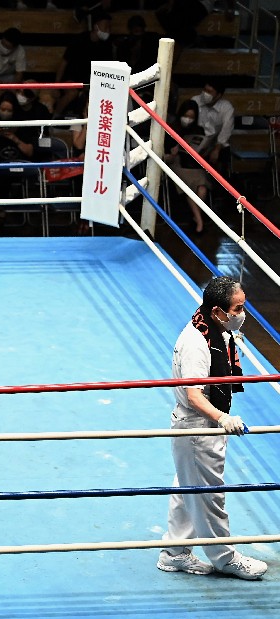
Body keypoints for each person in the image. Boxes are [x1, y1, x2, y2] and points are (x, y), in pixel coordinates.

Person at [158, 276, 267, 581]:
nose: (242, 314)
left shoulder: (212, 328)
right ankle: (225, 558)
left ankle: (174, 552)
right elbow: (194, 395)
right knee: (209, 496)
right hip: (198, 428)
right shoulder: (196, 343)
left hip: (197, 427)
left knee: (187, 490)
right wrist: (222, 418)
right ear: (218, 310)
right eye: (237, 309)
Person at [164, 99, 214, 235]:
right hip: (177, 164)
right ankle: (200, 223)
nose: (188, 119)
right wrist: (172, 154)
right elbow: (164, 156)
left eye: (192, 117)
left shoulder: (198, 130)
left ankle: (195, 217)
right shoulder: (170, 129)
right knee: (190, 190)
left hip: (194, 164)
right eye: (186, 116)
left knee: (202, 189)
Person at [53, 10, 114, 119]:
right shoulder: (79, 40)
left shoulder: (106, 46)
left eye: (109, 27)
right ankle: (54, 118)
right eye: (105, 27)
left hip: (91, 83)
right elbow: (63, 63)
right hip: (71, 79)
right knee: (72, 93)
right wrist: (56, 86)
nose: (108, 30)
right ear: (96, 26)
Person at [192, 80, 234, 177]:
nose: (205, 93)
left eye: (209, 92)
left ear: (218, 96)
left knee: (223, 153)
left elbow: (226, 130)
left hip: (215, 143)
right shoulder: (195, 101)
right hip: (197, 141)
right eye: (205, 90)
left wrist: (217, 149)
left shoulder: (226, 107)